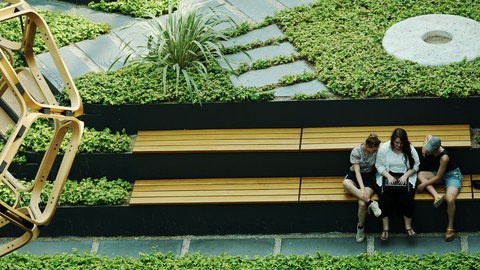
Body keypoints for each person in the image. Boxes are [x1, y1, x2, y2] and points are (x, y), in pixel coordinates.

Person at [375, 128, 420, 241]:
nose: (398, 145)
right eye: (396, 142)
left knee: (408, 197)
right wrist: (388, 176)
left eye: (401, 143)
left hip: (405, 175)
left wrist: (406, 175)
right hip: (387, 174)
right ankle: (385, 228)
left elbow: (416, 166)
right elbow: (379, 165)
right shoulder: (385, 148)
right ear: (392, 140)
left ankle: (408, 226)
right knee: (384, 197)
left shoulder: (410, 149)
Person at [417, 135, 462, 241]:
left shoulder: (444, 157)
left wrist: (423, 185)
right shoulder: (434, 141)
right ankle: (436, 195)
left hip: (452, 176)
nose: (427, 154)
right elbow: (428, 135)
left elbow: (438, 177)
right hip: (440, 172)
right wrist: (424, 145)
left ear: (436, 149)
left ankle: (450, 227)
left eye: (429, 152)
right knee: (421, 175)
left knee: (450, 200)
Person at [343, 133, 382, 243]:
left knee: (362, 203)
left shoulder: (377, 149)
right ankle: (371, 203)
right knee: (346, 184)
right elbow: (357, 172)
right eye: (373, 150)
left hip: (369, 177)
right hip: (355, 176)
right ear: (367, 146)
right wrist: (362, 189)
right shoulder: (356, 151)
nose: (375, 151)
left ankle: (360, 228)